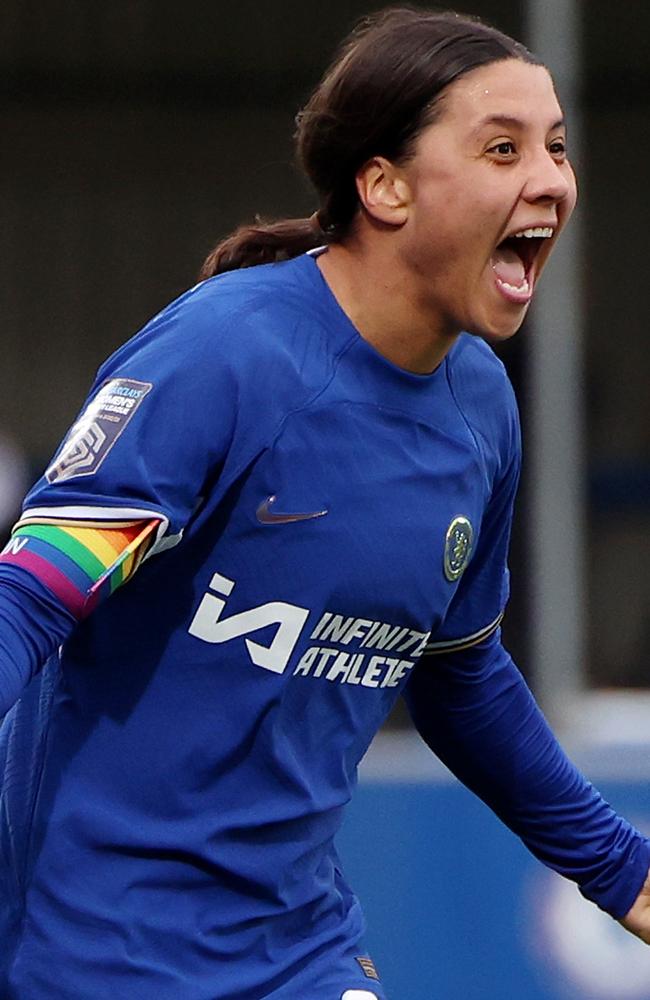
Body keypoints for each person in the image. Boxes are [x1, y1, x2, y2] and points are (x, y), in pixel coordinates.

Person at [1, 7, 649, 999]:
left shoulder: (479, 407)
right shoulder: (226, 359)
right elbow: (31, 598)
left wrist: (623, 870)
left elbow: (459, 675)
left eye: (555, 148)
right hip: (92, 947)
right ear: (383, 184)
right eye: (501, 148)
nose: (549, 180)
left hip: (295, 949)